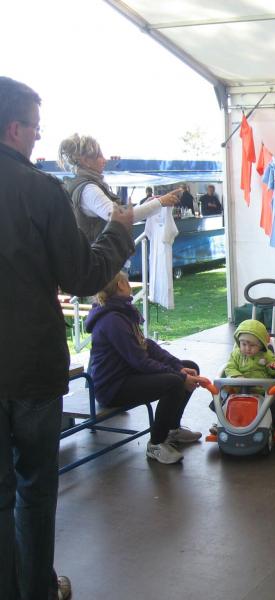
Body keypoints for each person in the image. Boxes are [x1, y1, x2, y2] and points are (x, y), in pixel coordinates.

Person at [0, 76, 134, 600]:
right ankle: (36, 588)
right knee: (34, 487)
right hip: (29, 365)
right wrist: (119, 229)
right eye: (35, 127)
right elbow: (82, 276)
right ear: (15, 128)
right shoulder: (39, 190)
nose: (39, 137)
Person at [84, 272, 204, 465]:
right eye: (127, 281)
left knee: (188, 367)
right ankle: (156, 444)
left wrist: (178, 367)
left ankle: (172, 429)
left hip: (127, 375)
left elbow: (146, 345)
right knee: (174, 383)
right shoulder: (112, 319)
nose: (129, 284)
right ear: (121, 284)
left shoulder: (121, 311)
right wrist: (180, 377)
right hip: (112, 387)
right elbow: (140, 361)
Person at [58, 134, 179, 241]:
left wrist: (146, 204)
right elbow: (119, 218)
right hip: (97, 257)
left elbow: (117, 213)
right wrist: (160, 202)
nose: (105, 160)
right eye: (100, 156)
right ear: (86, 161)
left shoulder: (84, 186)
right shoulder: (89, 190)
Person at [216, 319, 275, 443]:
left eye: (252, 345)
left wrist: (273, 367)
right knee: (222, 400)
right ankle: (220, 423)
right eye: (243, 344)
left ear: (261, 344)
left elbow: (273, 371)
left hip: (262, 389)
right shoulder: (236, 354)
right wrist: (237, 376)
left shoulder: (267, 355)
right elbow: (230, 367)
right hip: (238, 389)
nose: (247, 348)